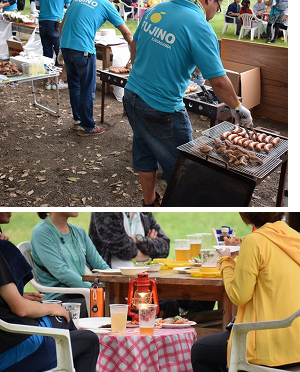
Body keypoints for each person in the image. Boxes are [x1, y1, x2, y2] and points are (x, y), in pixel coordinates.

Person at [123, 0, 252, 207]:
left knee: (144, 147)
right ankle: (182, 207)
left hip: (132, 95)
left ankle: (150, 202)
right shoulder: (199, 26)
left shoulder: (158, 8)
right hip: (161, 108)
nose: (214, 14)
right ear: (209, 0)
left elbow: (135, 46)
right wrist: (237, 106)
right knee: (185, 165)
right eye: (217, 8)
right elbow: (218, 80)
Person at [191, 212, 300, 372]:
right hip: (296, 340)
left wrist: (226, 261)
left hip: (272, 342)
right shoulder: (293, 237)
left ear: (246, 217)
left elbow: (238, 296)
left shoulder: (255, 241)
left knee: (201, 351)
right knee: (230, 342)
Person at [0, 212, 103, 372]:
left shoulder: (78, 232)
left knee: (67, 323)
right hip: (10, 353)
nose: (10, 210)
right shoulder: (6, 248)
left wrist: (19, 297)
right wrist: (50, 307)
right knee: (86, 338)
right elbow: (20, 310)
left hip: (9, 342)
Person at [89, 212, 214, 319]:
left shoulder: (144, 213)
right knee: (169, 304)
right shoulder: (105, 213)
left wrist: (138, 239)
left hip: (150, 281)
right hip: (119, 286)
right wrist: (148, 248)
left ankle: (190, 338)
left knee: (206, 297)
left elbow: (164, 247)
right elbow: (124, 250)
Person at [60, 0, 132, 136]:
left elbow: (62, 25)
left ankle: (77, 120)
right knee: (87, 88)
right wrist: (136, 50)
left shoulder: (76, 1)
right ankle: (87, 126)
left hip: (66, 46)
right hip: (83, 50)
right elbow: (127, 33)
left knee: (75, 85)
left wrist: (61, 47)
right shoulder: (106, 5)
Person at [31, 212, 110, 317]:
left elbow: (101, 265)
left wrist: (114, 285)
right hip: (59, 299)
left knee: (125, 303)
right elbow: (61, 272)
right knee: (113, 307)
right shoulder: (41, 233)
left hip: (85, 293)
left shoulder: (79, 232)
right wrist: (96, 290)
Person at [36, 0, 69, 90]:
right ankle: (57, 82)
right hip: (56, 21)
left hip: (43, 21)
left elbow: (37, 7)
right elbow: (68, 6)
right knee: (59, 52)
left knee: (47, 52)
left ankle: (48, 81)